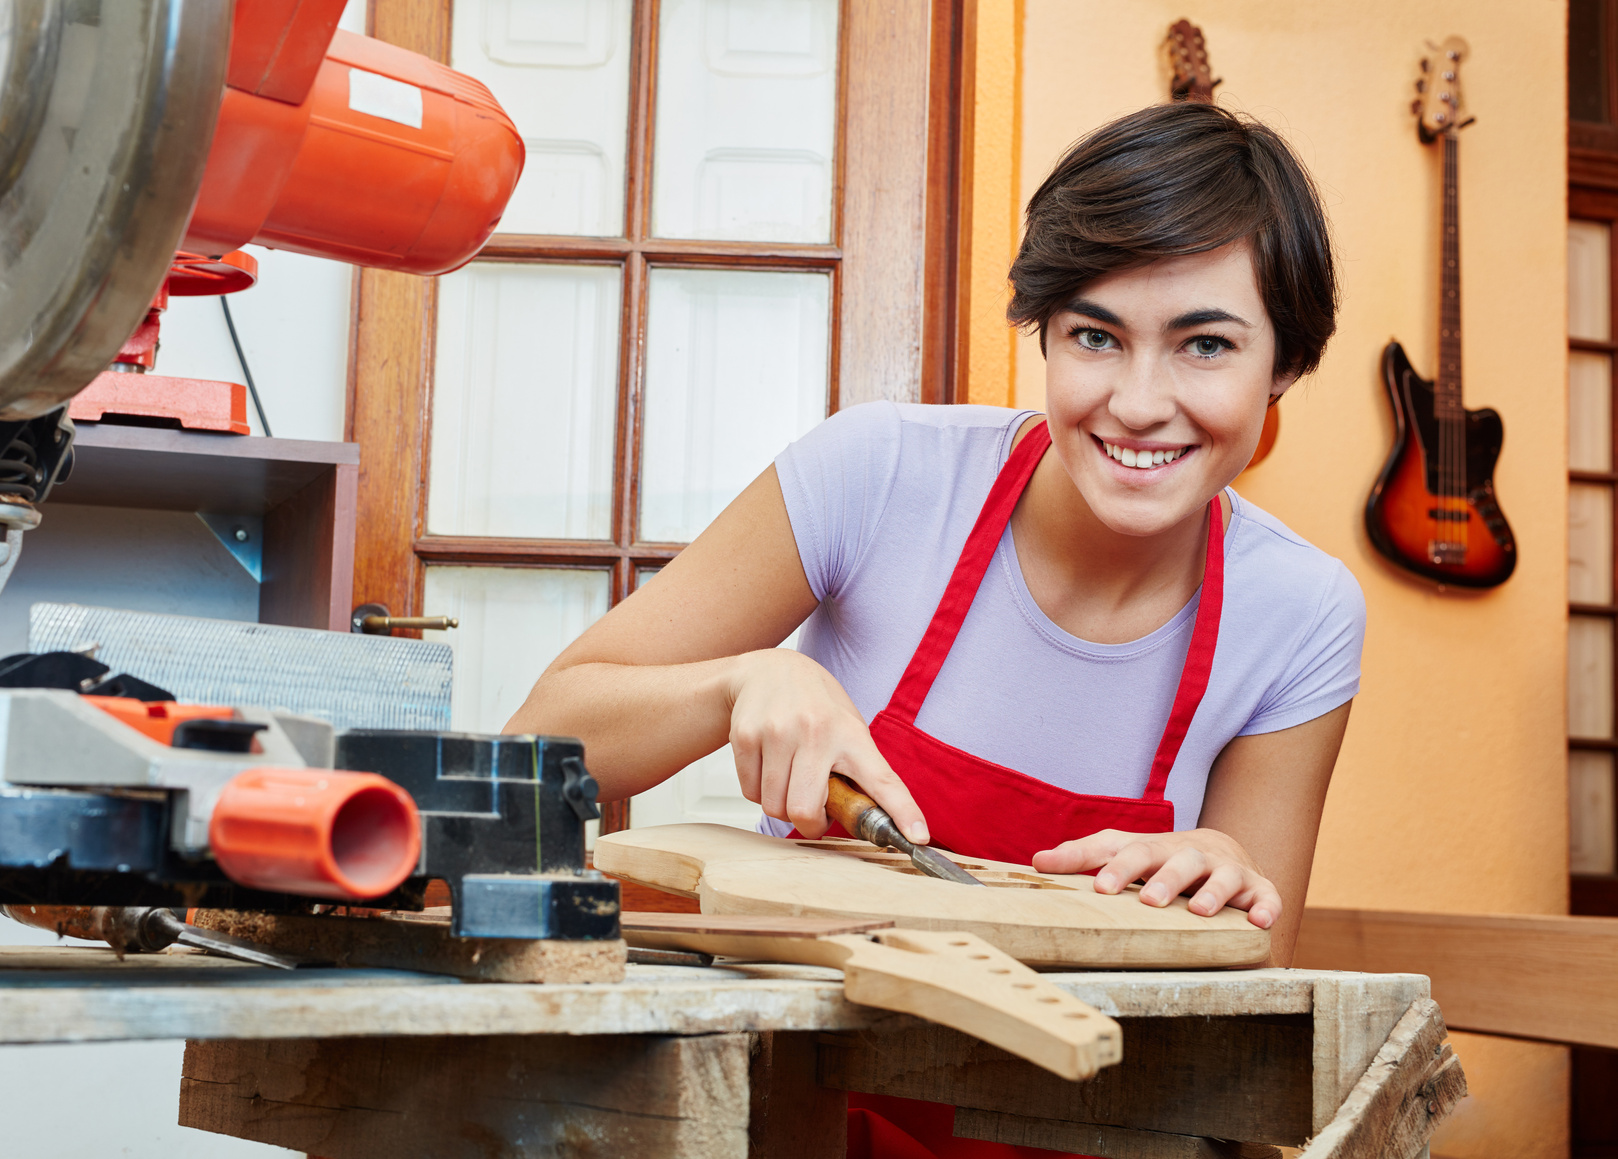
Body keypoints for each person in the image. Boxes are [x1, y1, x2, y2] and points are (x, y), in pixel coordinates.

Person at [506, 100, 1363, 1159]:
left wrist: (1218, 876)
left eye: (1205, 346)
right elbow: (533, 749)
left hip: (1089, 1127)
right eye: (1095, 335)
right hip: (803, 1115)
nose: (1140, 402)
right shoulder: (878, 476)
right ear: (1043, 331)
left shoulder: (1302, 613)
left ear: (1282, 365)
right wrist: (733, 686)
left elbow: (1253, 1001)